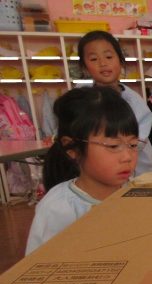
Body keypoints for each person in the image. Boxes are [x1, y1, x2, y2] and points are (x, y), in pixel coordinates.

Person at [26, 87, 140, 254]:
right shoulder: (58, 209)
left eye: (133, 145)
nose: (127, 157)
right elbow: (38, 265)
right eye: (113, 146)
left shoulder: (139, 195)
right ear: (73, 148)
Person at [77, 30, 152, 176]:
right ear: (84, 68)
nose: (103, 63)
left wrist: (114, 149)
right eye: (94, 59)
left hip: (138, 170)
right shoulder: (81, 99)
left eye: (109, 57)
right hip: (98, 170)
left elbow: (138, 140)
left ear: (120, 61)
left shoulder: (134, 101)